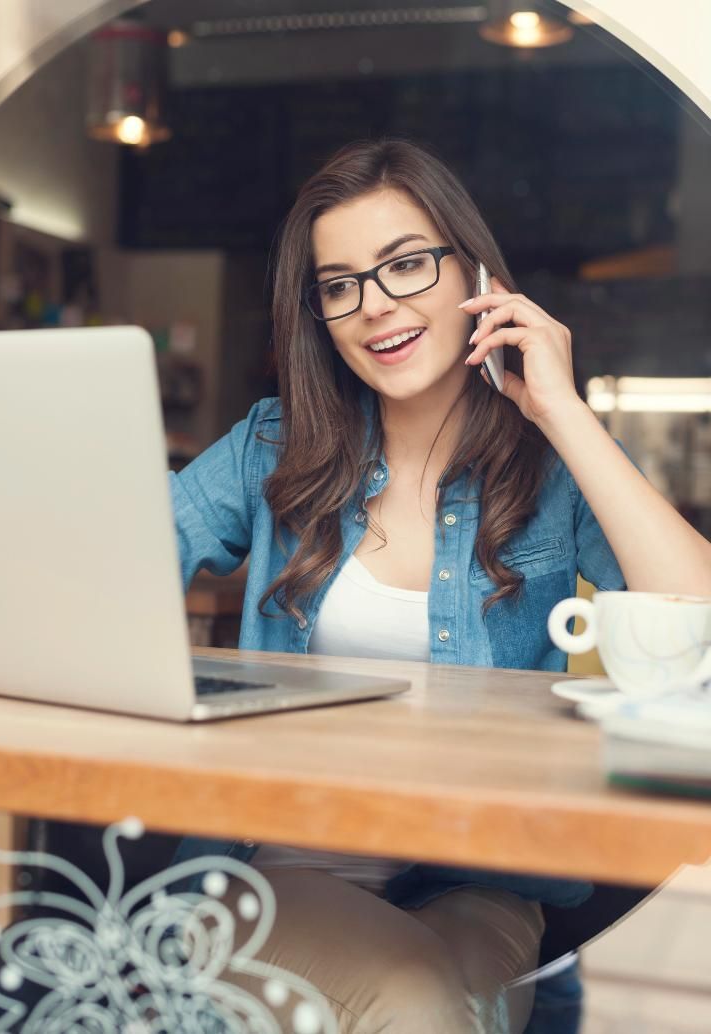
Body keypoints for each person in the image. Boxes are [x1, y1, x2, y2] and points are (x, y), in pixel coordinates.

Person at [168, 139, 711, 1033]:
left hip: (479, 878)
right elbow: (116, 558)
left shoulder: (548, 463)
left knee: (444, 1003)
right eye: (341, 284)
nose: (376, 306)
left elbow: (694, 624)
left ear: (476, 273)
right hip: (284, 870)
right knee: (421, 1002)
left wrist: (563, 413)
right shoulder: (273, 446)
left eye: (407, 265)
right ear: (320, 315)